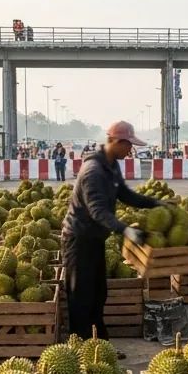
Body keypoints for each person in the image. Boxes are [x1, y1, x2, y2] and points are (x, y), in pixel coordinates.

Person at [61, 121, 160, 338]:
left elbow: (125, 194)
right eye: (128, 145)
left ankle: (99, 344)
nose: (130, 150)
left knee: (98, 294)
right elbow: (98, 211)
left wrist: (155, 203)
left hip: (95, 239)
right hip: (78, 240)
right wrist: (126, 230)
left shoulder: (111, 165)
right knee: (81, 296)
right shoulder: (93, 171)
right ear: (115, 142)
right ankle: (80, 346)